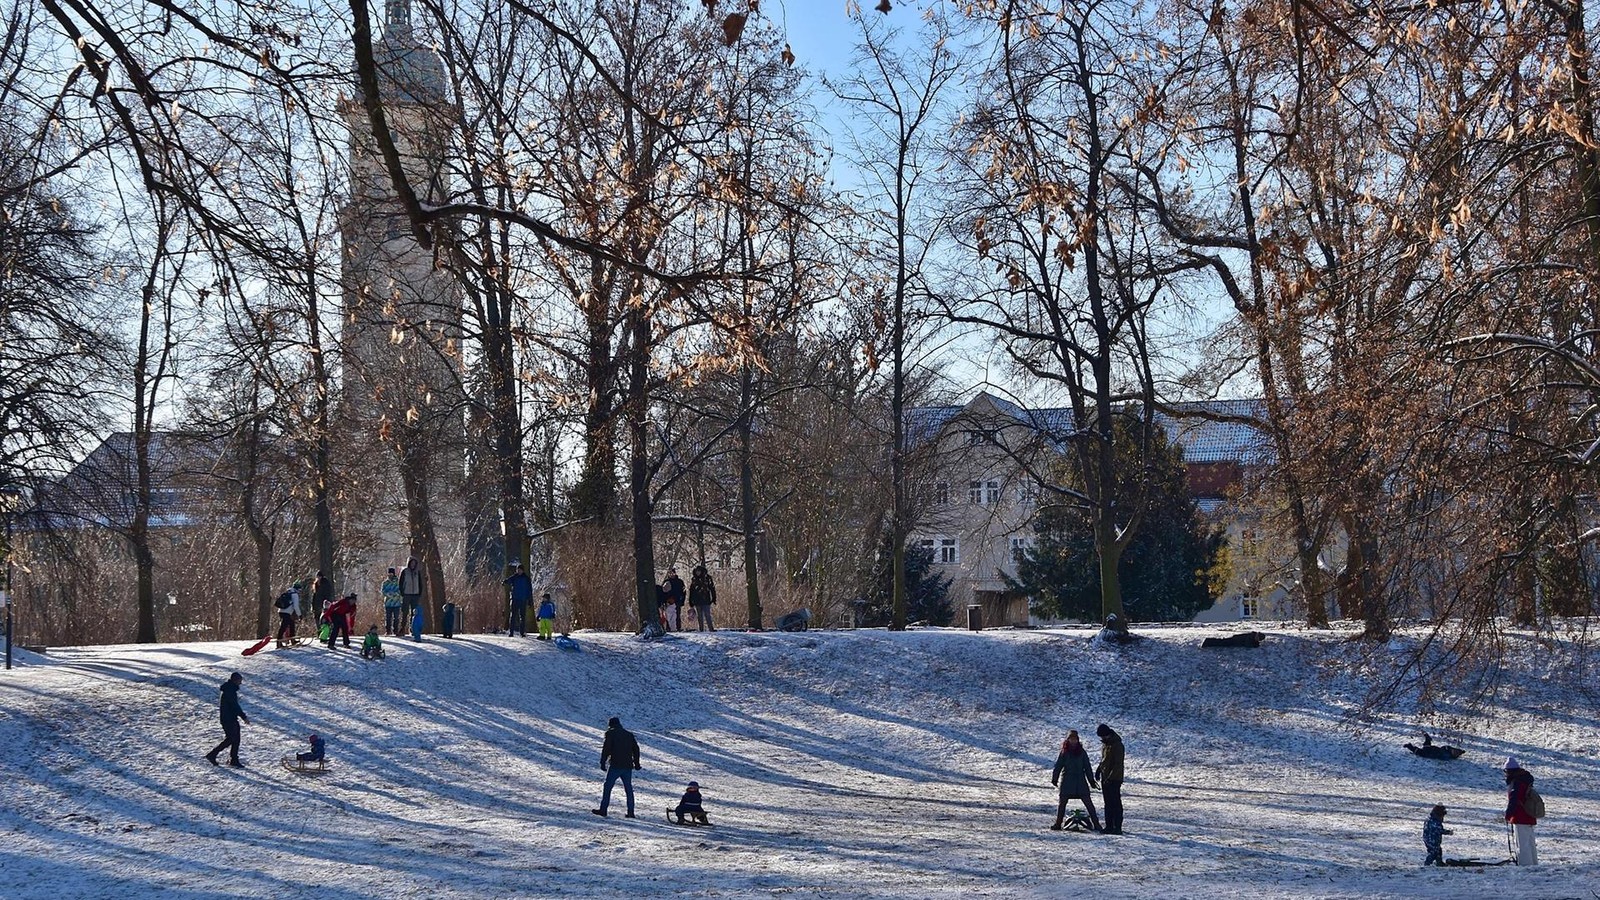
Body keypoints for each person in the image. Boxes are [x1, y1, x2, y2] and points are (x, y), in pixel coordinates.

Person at [1051, 729, 1101, 832]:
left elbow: (1087, 767)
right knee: (1062, 804)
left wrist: (1091, 780)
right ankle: (1058, 823)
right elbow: (1059, 765)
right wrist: (1054, 778)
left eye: (1075, 739)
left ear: (1078, 740)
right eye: (1071, 739)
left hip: (1080, 782)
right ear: (1068, 740)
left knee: (1089, 804)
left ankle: (1096, 824)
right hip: (1067, 781)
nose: (1073, 741)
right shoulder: (1064, 752)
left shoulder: (1082, 752)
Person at [592, 716, 641, 818]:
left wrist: (603, 762)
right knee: (628, 789)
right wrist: (636, 763)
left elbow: (606, 749)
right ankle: (631, 812)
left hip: (615, 765)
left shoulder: (611, 734)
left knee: (608, 787)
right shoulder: (629, 735)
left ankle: (603, 809)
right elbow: (636, 749)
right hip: (627, 766)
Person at [205, 672, 249, 767]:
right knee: (231, 739)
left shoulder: (229, 689)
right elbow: (234, 705)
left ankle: (234, 760)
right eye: (239, 681)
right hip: (228, 719)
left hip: (230, 718)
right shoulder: (230, 691)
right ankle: (212, 754)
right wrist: (243, 716)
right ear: (235, 680)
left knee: (236, 739)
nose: (240, 683)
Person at [1504, 756, 1538, 865]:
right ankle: (1533, 863)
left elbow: (1513, 800)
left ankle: (1525, 865)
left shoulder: (1516, 783)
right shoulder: (1525, 780)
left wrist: (1508, 814)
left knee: (1522, 843)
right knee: (1530, 841)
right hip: (1530, 815)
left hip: (1520, 816)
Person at [1094, 723, 1125, 835]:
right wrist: (1099, 770)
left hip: (1114, 779)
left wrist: (1111, 777)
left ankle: (1117, 827)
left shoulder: (1117, 745)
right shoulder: (1106, 745)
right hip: (1105, 778)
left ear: (1108, 734)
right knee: (1108, 803)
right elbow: (1104, 760)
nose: (1102, 738)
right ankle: (1109, 826)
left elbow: (1118, 764)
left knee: (1115, 803)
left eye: (1103, 736)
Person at [503, 562, 533, 636]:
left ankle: (522, 632)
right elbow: (509, 580)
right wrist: (505, 582)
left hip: (523, 600)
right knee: (513, 616)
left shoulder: (526, 579)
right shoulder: (515, 577)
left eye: (520, 570)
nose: (518, 571)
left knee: (522, 617)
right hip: (515, 599)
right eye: (518, 570)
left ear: (522, 570)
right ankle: (511, 632)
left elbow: (529, 590)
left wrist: (529, 600)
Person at [688, 564, 717, 632]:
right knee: (699, 616)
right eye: (697, 571)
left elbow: (712, 589)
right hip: (697, 600)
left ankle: (711, 629)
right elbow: (691, 590)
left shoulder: (707, 578)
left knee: (707, 615)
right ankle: (701, 629)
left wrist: (714, 598)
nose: (698, 573)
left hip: (706, 599)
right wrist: (690, 601)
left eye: (699, 571)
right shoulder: (694, 579)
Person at [273, 581, 302, 648]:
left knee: (292, 624)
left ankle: (292, 639)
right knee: (283, 627)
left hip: (281, 611)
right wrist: (299, 615)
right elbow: (296, 606)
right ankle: (279, 642)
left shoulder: (288, 592)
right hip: (287, 612)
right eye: (300, 589)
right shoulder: (295, 595)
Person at [399, 556, 423, 626]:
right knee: (405, 612)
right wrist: (402, 593)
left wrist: (419, 593)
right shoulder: (405, 572)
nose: (413, 564)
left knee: (414, 613)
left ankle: (413, 628)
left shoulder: (417, 573)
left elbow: (420, 583)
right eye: (412, 563)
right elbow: (401, 583)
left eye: (414, 563)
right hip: (406, 594)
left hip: (415, 595)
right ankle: (402, 627)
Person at [381, 568, 403, 636]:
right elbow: (383, 591)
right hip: (388, 603)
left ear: (394, 574)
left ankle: (395, 630)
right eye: (389, 573)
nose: (390, 575)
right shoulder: (385, 583)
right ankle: (388, 630)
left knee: (396, 617)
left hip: (396, 603)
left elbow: (400, 591)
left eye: (391, 573)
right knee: (388, 617)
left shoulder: (398, 582)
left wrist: (395, 594)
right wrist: (389, 594)